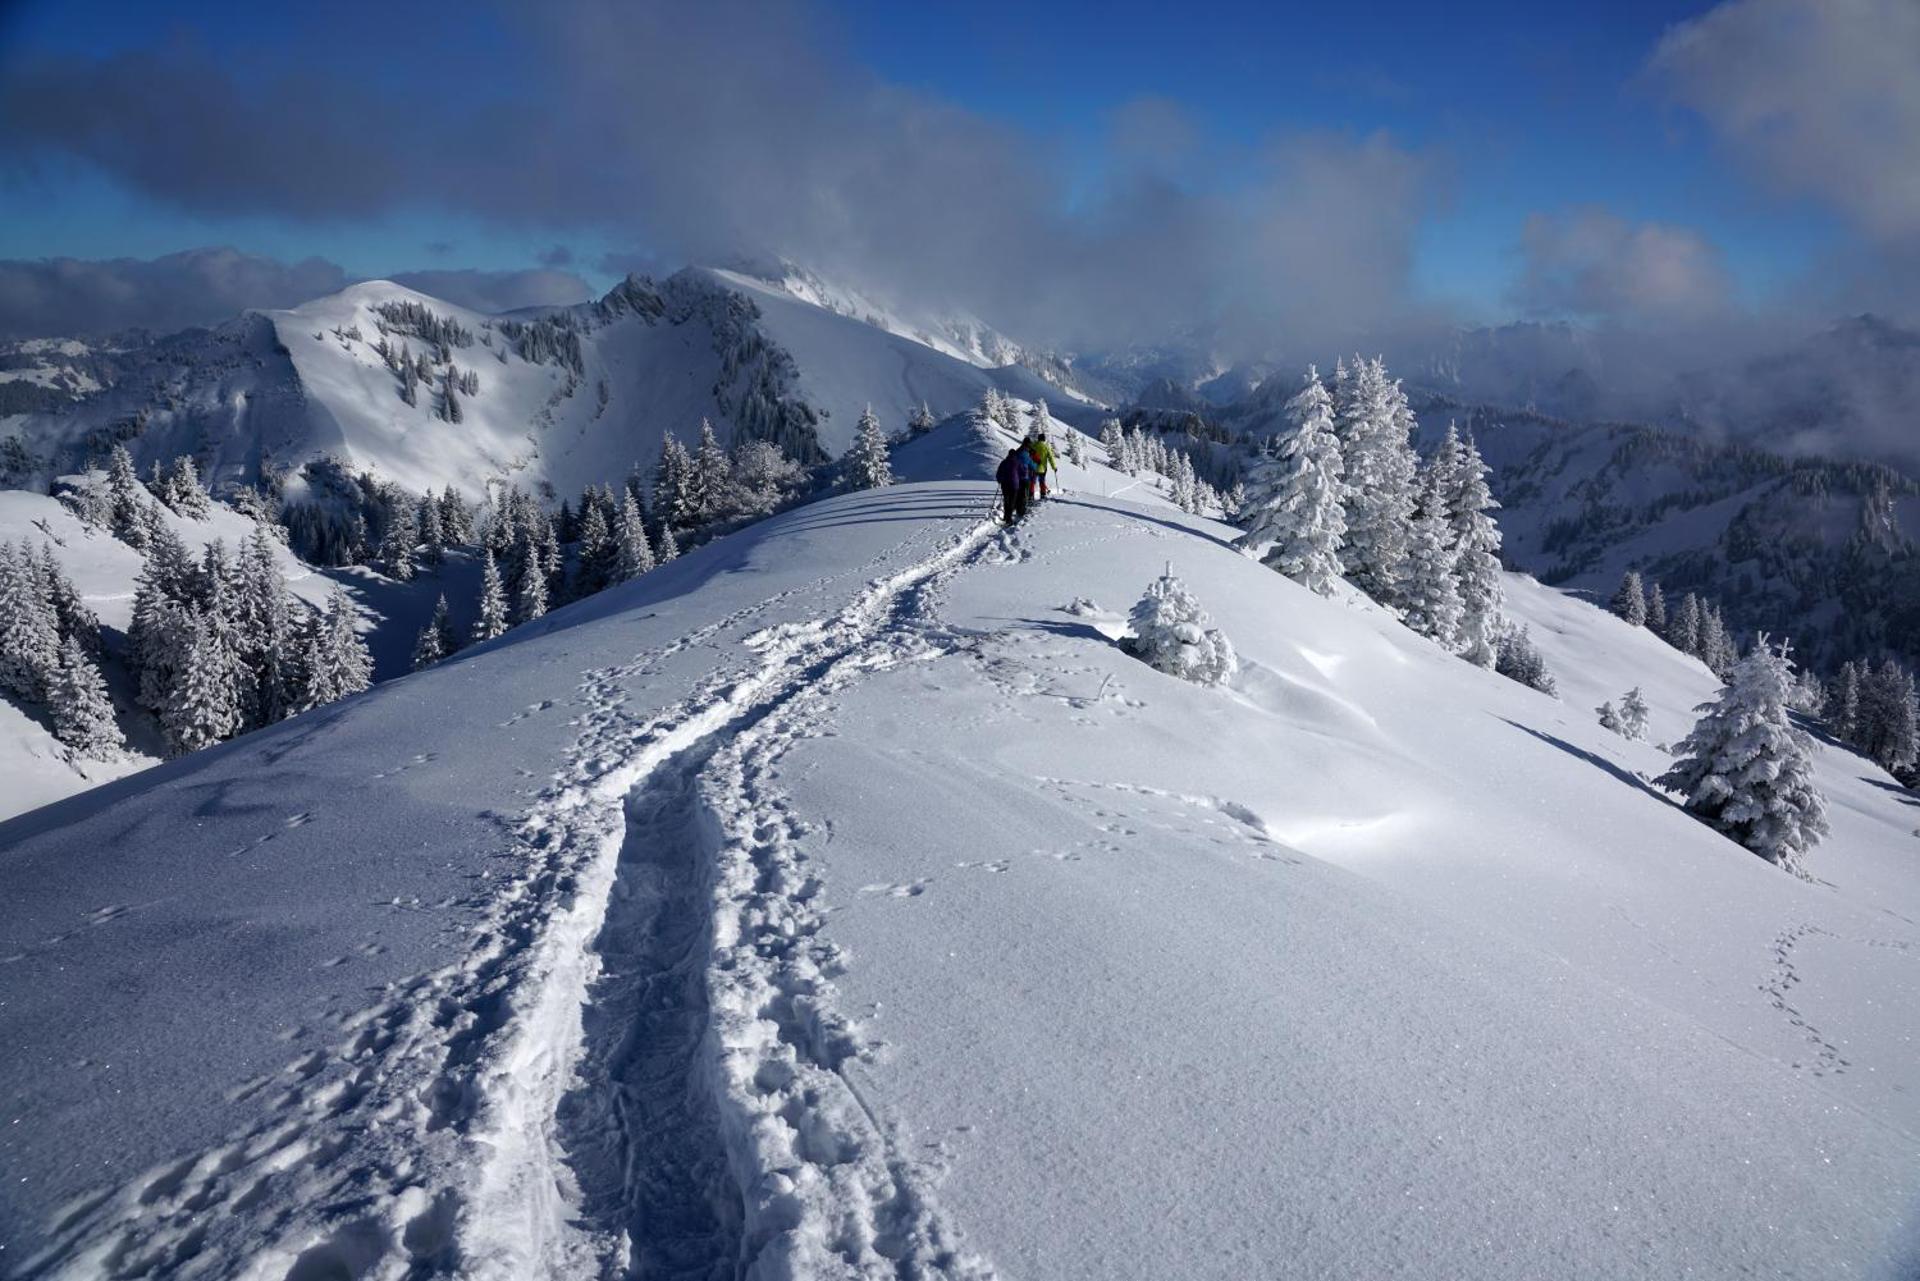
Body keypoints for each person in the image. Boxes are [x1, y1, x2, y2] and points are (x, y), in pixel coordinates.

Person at [996, 446, 1030, 524]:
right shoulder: (1018, 462)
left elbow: (998, 473)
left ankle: (1006, 515)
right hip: (1014, 484)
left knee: (1006, 500)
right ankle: (1009, 518)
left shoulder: (1004, 462)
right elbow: (1023, 472)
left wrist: (999, 480)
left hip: (1005, 484)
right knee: (1012, 501)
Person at [1025, 429, 1056, 502]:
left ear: (1038, 439)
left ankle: (1031, 495)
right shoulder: (1046, 447)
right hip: (1043, 468)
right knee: (1042, 482)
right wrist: (1054, 467)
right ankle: (1043, 495)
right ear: (1044, 439)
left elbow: (1028, 454)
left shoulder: (1033, 445)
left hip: (1033, 467)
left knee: (1032, 482)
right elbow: (1051, 458)